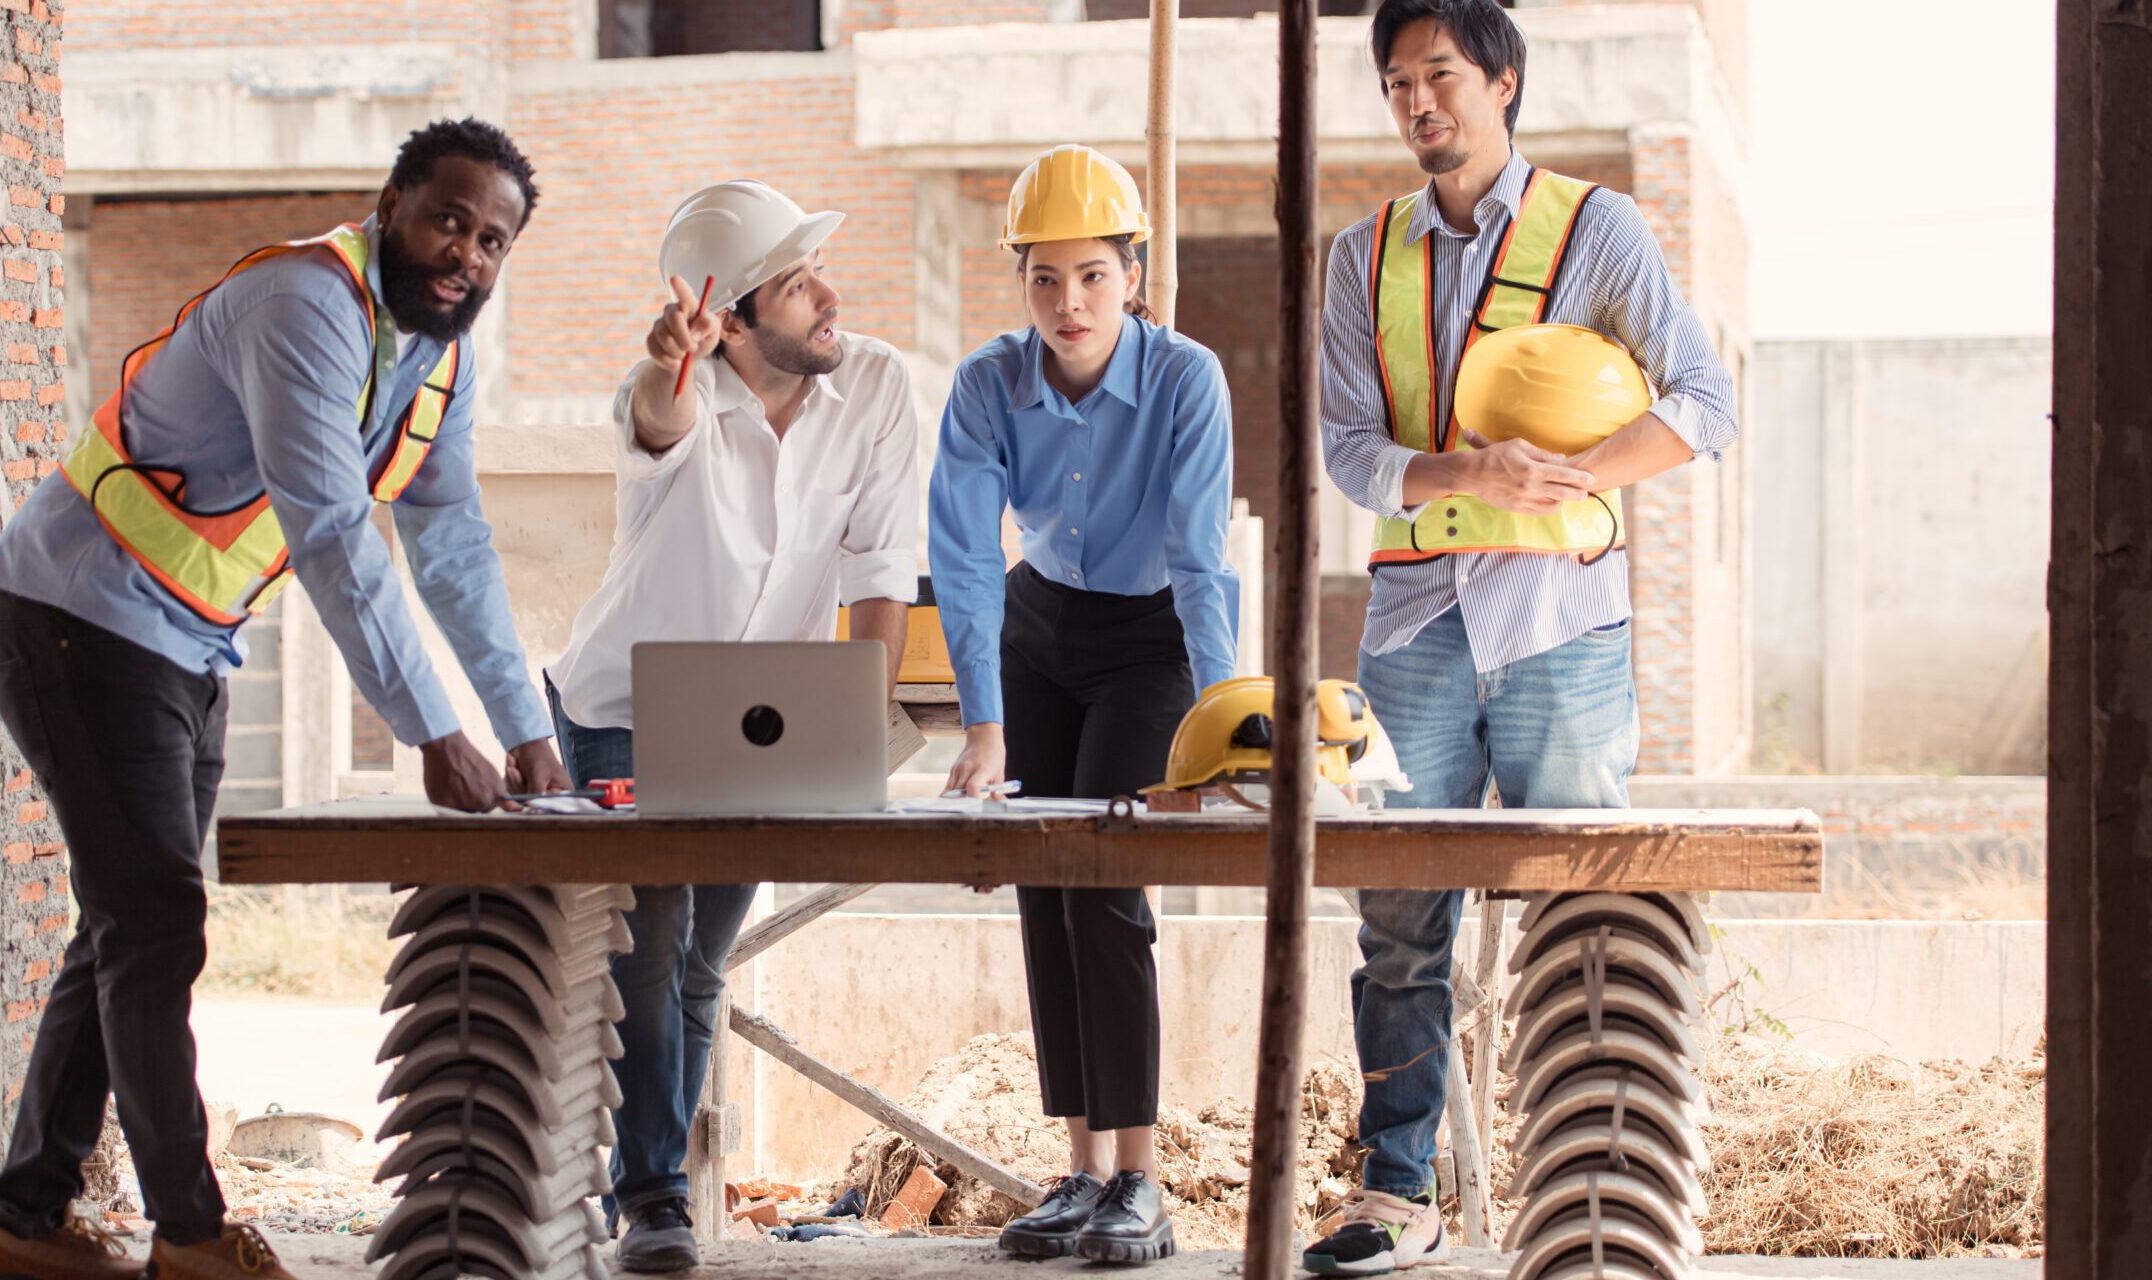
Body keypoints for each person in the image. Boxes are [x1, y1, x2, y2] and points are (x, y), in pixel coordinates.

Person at [0, 120, 567, 1280]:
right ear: (391, 203)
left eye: (494, 240)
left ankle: (23, 1226)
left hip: (183, 644)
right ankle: (188, 1235)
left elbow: (449, 542)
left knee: (123, 924)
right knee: (154, 924)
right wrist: (432, 729)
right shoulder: (305, 305)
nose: (468, 256)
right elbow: (334, 530)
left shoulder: (439, 354)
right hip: (72, 619)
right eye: (450, 219)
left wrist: (524, 725)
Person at [1300, 2, 1737, 1274]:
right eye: (1396, 84)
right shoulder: (1357, 256)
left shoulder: (1594, 229)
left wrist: (1577, 469)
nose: (1417, 102)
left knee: (1585, 917)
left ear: (1501, 82)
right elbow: (1345, 447)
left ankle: (1590, 1204)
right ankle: (1396, 1189)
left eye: (1438, 75)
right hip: (1415, 629)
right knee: (1397, 924)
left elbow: (1702, 401)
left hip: (1560, 627)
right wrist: (1466, 469)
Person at [546, 179, 919, 1273]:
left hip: (768, 713)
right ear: (737, 315)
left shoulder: (878, 384)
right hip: (625, 708)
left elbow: (880, 560)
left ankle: (657, 1182)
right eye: (798, 285)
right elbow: (651, 425)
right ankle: (652, 1193)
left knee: (705, 962)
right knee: (649, 954)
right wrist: (671, 369)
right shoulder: (673, 391)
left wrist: (858, 718)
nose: (826, 297)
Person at [929, 144, 1239, 1266]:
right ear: (1020, 280)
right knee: (1044, 884)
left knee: (1109, 886)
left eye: (1093, 277)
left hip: (1149, 637)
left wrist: (1219, 727)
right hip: (1037, 627)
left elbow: (1205, 561)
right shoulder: (986, 382)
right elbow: (964, 556)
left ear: (1133, 274)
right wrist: (983, 720)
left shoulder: (1186, 378)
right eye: (1044, 277)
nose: (1068, 303)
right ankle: (1081, 1170)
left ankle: (1142, 1182)